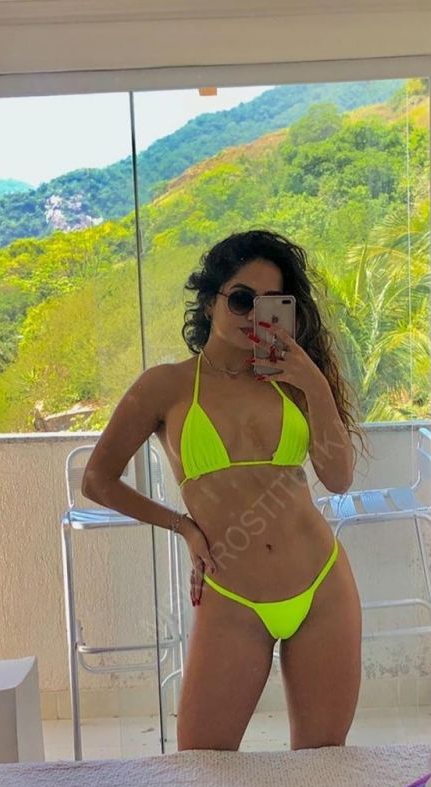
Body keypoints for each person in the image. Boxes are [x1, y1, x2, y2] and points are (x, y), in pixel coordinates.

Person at [83, 230, 363, 751]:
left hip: (322, 586)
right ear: (211, 300)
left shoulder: (292, 380)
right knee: (202, 768)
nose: (253, 314)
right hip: (231, 597)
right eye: (241, 299)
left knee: (322, 769)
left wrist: (315, 384)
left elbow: (339, 478)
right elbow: (97, 480)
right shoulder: (166, 385)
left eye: (270, 303)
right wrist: (185, 528)